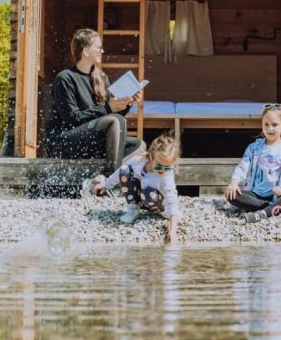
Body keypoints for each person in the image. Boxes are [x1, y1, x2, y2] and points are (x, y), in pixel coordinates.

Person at [46, 28, 144, 173]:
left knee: (138, 145)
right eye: (98, 47)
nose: (102, 51)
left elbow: (112, 118)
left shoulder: (101, 78)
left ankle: (103, 179)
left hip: (89, 140)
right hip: (65, 140)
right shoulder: (65, 78)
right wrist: (109, 108)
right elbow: (73, 119)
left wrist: (127, 103)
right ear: (85, 51)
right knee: (115, 120)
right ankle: (109, 183)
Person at [87, 132, 182, 243]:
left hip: (157, 202)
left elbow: (172, 199)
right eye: (159, 166)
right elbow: (120, 172)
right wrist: (106, 184)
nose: (163, 170)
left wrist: (173, 230)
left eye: (168, 167)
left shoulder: (166, 176)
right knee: (125, 171)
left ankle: (163, 211)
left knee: (148, 192)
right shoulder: (139, 162)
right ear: (151, 158)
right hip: (140, 198)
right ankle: (133, 209)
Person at [225, 103, 281, 223]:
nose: (270, 129)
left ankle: (264, 212)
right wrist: (234, 182)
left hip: (278, 194)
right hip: (256, 194)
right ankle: (272, 207)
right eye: (266, 124)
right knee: (232, 195)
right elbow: (243, 167)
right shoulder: (254, 148)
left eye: (274, 125)